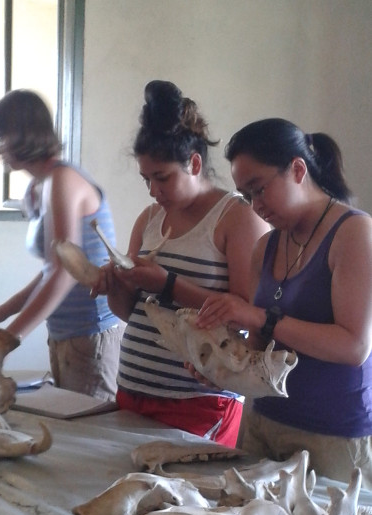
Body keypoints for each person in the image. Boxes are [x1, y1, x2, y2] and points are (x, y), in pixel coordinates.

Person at [191, 117, 372, 487]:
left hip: (331, 434)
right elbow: (261, 350)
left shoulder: (354, 233)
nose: (255, 206)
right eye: (246, 196)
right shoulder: (267, 246)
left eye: (259, 189)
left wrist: (262, 317)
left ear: (298, 170)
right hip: (263, 420)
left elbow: (354, 346)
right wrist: (219, 367)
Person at [94, 80, 269, 446]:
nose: (153, 191)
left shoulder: (236, 218)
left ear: (194, 163)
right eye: (146, 179)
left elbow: (246, 316)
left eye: (162, 178)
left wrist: (169, 284)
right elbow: (133, 312)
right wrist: (116, 286)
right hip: (133, 388)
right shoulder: (149, 219)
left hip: (199, 399)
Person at [0, 89, 124, 402]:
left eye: (2, 136)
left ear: (21, 134)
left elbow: (65, 272)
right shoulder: (40, 186)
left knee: (87, 428)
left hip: (90, 334)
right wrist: (2, 313)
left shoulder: (62, 179)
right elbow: (51, 270)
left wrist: (8, 339)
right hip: (65, 335)